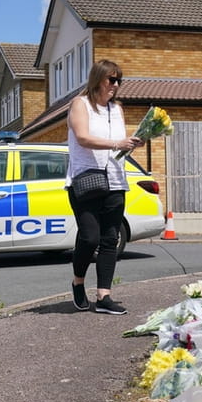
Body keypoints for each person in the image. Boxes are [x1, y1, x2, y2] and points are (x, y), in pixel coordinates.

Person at [66, 59, 144, 315]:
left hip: (115, 180)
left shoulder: (117, 109)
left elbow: (119, 142)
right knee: (90, 237)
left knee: (111, 238)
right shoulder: (80, 104)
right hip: (86, 179)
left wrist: (132, 143)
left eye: (119, 80)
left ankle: (103, 296)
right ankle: (78, 282)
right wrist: (116, 144)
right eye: (112, 79)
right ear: (98, 79)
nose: (116, 85)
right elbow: (83, 137)